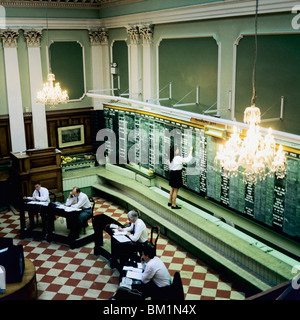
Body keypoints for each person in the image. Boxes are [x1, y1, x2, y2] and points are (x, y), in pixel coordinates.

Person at [168, 145, 193, 209]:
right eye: (177, 149)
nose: (178, 150)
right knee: (176, 190)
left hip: (172, 173)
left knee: (172, 188)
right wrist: (191, 151)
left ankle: (170, 201)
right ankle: (173, 205)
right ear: (175, 151)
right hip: (177, 174)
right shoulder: (177, 158)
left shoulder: (170, 157)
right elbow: (187, 160)